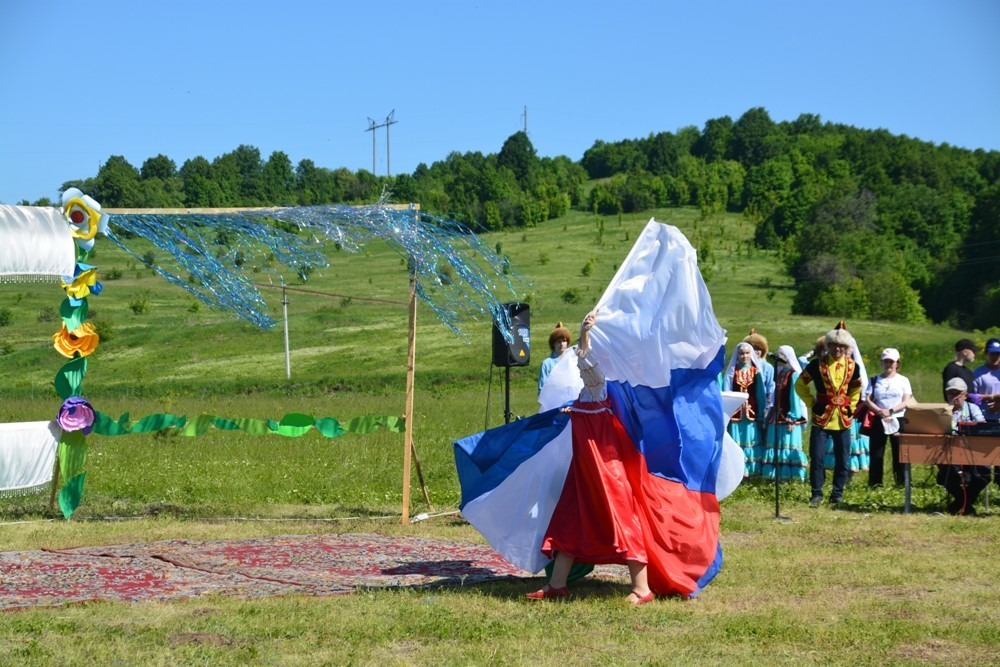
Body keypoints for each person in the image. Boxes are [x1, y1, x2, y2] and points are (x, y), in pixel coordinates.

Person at [528, 311, 654, 605]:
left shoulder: (601, 385)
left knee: (621, 518)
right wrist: (573, 411)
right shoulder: (591, 393)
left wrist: (585, 334)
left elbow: (587, 364)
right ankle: (557, 584)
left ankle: (642, 588)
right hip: (585, 467)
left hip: (604, 469)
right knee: (571, 519)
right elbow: (590, 403)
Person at [795, 327, 862, 506]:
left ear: (846, 347)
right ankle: (816, 493)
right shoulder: (817, 364)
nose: (838, 349)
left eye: (841, 346)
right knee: (817, 457)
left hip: (843, 419)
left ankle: (837, 493)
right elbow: (800, 384)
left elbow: (856, 389)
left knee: (843, 459)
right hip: (822, 418)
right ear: (828, 345)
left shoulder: (852, 366)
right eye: (834, 345)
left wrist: (851, 406)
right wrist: (811, 403)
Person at [936, 378, 988, 515]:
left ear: (965, 395)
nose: (953, 397)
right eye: (950, 393)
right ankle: (966, 505)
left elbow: (982, 426)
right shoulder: (942, 411)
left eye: (957, 393)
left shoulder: (972, 408)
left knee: (985, 474)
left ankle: (959, 504)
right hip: (949, 454)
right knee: (945, 474)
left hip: (973, 453)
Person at [863, 348, 913, 488]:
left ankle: (902, 482)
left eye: (891, 362)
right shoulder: (874, 380)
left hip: (898, 418)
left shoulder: (903, 380)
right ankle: (875, 483)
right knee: (876, 453)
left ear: (897, 363)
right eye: (886, 361)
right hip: (879, 419)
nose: (888, 364)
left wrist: (891, 411)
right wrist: (879, 411)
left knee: (900, 453)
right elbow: (867, 399)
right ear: (881, 363)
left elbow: (906, 400)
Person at [762, 345, 808, 482]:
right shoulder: (780, 374)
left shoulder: (793, 375)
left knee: (787, 445)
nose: (778, 358)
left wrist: (792, 417)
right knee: (775, 445)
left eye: (780, 355)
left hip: (787, 417)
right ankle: (775, 476)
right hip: (776, 416)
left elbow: (795, 397)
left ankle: (790, 478)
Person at [723, 341, 767, 478]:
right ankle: (737, 472)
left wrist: (761, 412)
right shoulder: (732, 372)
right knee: (736, 440)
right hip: (736, 412)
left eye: (747, 353)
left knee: (751, 439)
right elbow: (727, 391)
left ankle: (751, 470)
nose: (744, 356)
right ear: (737, 355)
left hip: (751, 412)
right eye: (741, 353)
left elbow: (760, 394)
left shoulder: (755, 372)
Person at [743, 329, 776, 413]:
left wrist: (768, 407)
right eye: (753, 349)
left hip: (763, 403)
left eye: (759, 349)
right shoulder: (743, 365)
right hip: (746, 402)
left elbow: (770, 387)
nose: (756, 352)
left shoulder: (768, 367)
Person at [972, 337, 1000, 422]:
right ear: (986, 354)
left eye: (998, 354)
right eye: (992, 354)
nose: (995, 357)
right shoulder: (978, 373)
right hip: (982, 418)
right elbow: (972, 397)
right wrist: (992, 397)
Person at [538, 322, 571, 393]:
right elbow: (542, 389)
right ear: (553, 343)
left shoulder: (572, 361)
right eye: (559, 341)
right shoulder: (547, 364)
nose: (561, 344)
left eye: (564, 341)